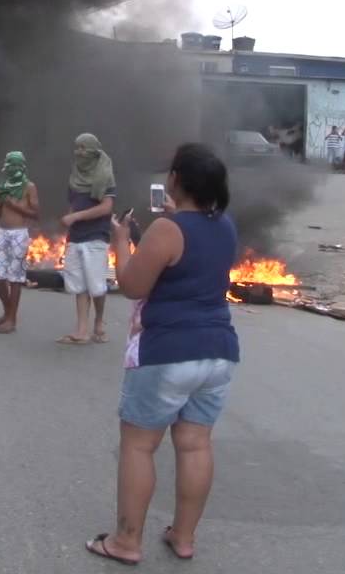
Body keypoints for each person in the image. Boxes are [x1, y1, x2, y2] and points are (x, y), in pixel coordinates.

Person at [85, 143, 240, 566]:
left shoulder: (167, 230)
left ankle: (126, 541)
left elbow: (133, 285)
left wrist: (121, 241)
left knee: (139, 447)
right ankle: (183, 537)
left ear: (175, 180)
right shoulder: (225, 225)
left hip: (168, 352)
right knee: (195, 445)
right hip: (218, 352)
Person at [59, 133, 116, 345]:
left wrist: (76, 217)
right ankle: (81, 330)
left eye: (83, 148)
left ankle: (99, 322)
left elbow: (106, 207)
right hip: (76, 237)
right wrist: (69, 222)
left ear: (93, 149)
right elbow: (73, 204)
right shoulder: (74, 176)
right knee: (79, 285)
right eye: (77, 147)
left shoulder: (105, 174)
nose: (79, 152)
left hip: (96, 236)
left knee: (96, 285)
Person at [0, 151, 39, 333]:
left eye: (15, 164)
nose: (11, 168)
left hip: (19, 234)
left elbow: (35, 214)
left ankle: (12, 319)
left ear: (22, 167)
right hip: (2, 233)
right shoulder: (3, 187)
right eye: (9, 164)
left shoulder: (29, 187)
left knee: (15, 278)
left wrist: (13, 204)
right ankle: (7, 312)